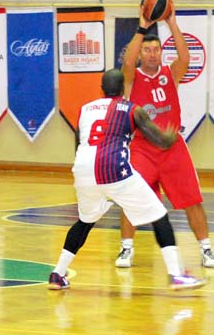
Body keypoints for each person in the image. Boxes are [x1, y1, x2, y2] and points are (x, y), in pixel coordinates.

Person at [48, 69, 205, 292]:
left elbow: (78, 144)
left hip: (83, 171)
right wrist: (171, 135)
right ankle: (176, 275)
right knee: (159, 215)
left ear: (102, 89)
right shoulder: (133, 109)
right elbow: (159, 139)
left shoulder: (85, 109)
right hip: (114, 170)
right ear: (123, 89)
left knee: (85, 221)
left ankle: (58, 274)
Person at [114, 4, 214, 269]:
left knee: (192, 201)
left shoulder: (170, 74)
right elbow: (127, 62)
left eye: (156, 49)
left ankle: (206, 249)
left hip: (172, 146)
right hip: (142, 148)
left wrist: (172, 23)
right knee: (131, 198)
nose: (152, 54)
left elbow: (185, 58)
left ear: (161, 52)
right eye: (147, 50)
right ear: (141, 53)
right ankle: (126, 248)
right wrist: (142, 28)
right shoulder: (131, 77)